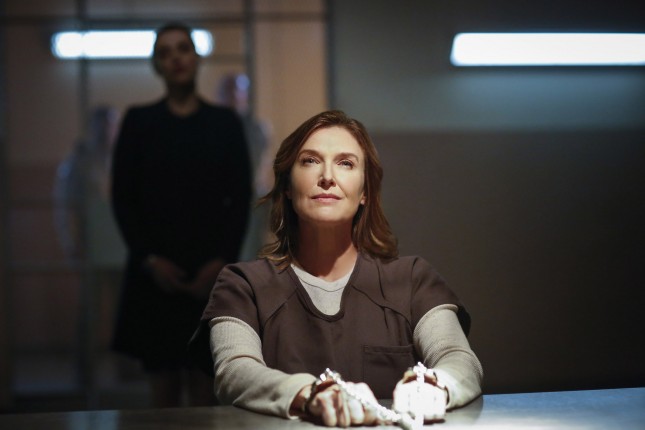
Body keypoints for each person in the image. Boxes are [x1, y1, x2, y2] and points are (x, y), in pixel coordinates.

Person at [189, 110, 483, 426]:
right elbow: (234, 371)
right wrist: (310, 394)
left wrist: (434, 385)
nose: (327, 176)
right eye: (310, 161)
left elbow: (459, 359)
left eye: (345, 163)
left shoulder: (412, 279)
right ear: (287, 186)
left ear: (365, 191)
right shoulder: (242, 285)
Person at [110, 22, 252, 408]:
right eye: (165, 52)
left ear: (197, 57)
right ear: (156, 65)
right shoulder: (139, 123)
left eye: (183, 49)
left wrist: (221, 262)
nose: (175, 58)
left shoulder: (224, 123)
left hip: (210, 271)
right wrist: (149, 259)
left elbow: (240, 199)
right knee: (163, 393)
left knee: (206, 388)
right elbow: (123, 200)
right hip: (157, 275)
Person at [215, 73, 273, 261]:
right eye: (228, 92)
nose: (233, 96)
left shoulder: (258, 129)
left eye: (237, 91)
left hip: (251, 203)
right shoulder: (211, 130)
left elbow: (262, 167)